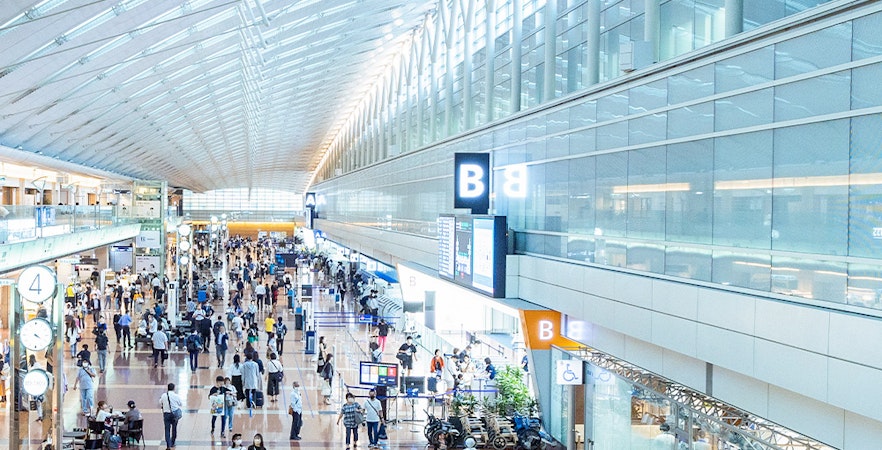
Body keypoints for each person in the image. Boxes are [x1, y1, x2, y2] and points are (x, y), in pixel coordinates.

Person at [159, 383, 183, 450]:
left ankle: (168, 445)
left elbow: (160, 402)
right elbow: (181, 404)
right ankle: (173, 442)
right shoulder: (176, 396)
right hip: (174, 414)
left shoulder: (164, 395)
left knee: (167, 429)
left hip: (166, 414)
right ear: (174, 388)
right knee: (174, 428)